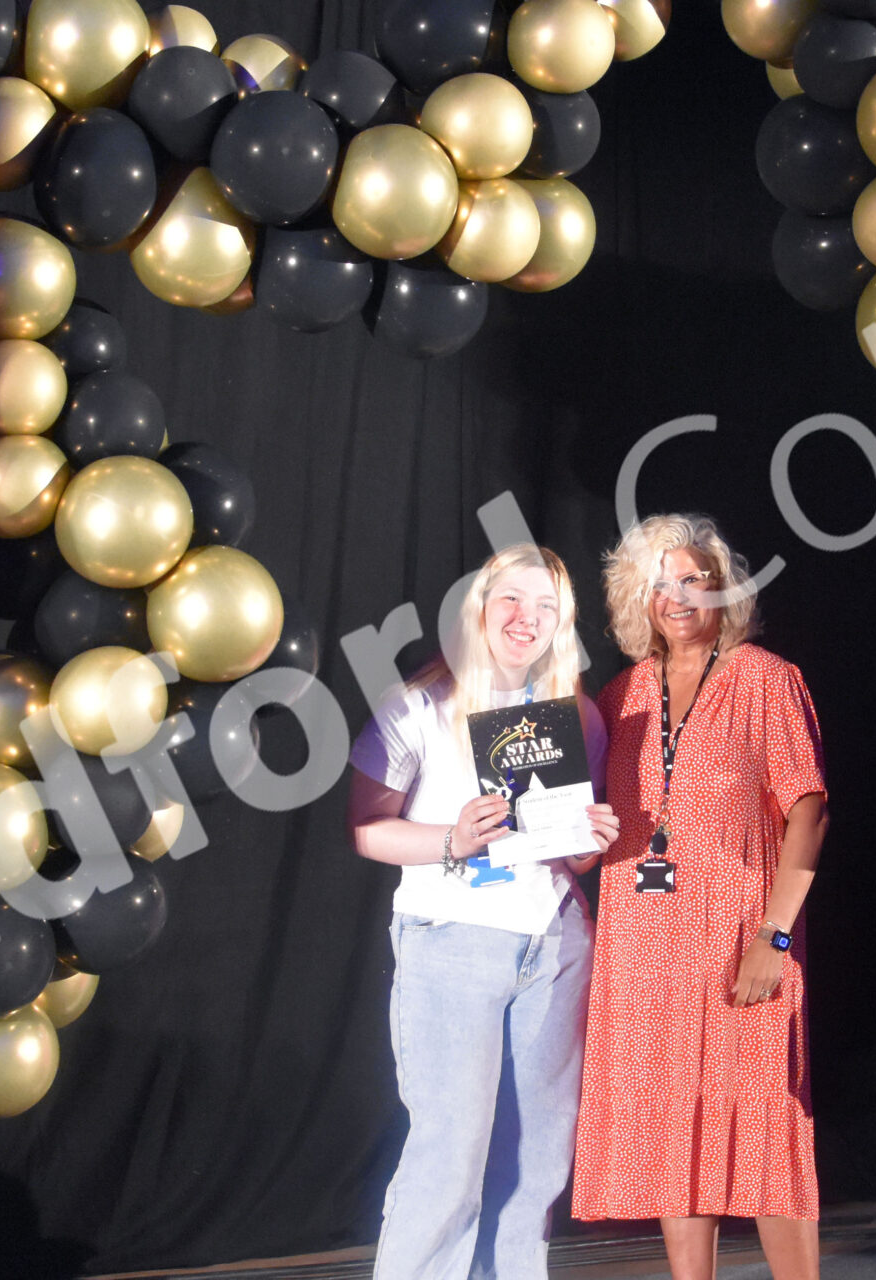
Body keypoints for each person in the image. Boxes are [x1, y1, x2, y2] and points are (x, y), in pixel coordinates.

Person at [348, 543, 621, 1280]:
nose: (527, 618)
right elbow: (366, 830)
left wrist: (590, 843)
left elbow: (570, 855)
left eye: (546, 607)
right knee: (449, 1155)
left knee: (536, 1160)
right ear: (479, 608)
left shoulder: (578, 716)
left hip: (556, 944)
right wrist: (452, 839)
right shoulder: (418, 705)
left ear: (561, 623)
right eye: (512, 599)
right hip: (452, 941)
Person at [571, 514, 830, 1280]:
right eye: (659, 583)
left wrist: (774, 936)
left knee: (766, 1131)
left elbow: (811, 813)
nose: (677, 596)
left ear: (723, 589)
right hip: (644, 953)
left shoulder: (766, 679)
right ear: (637, 599)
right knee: (669, 1139)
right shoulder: (619, 697)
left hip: (741, 942)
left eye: (692, 579)